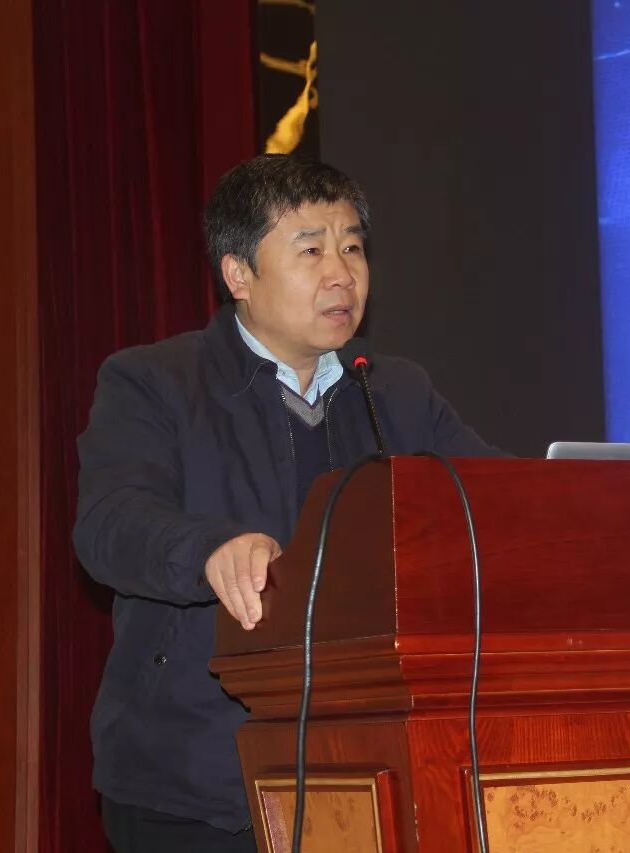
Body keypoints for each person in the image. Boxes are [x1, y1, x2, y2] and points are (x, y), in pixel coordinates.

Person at [74, 154, 499, 852]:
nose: (342, 274)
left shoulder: (394, 391)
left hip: (369, 771)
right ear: (238, 274)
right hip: (197, 781)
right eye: (311, 251)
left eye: (352, 247)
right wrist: (209, 549)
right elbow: (110, 523)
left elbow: (496, 506)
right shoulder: (156, 382)